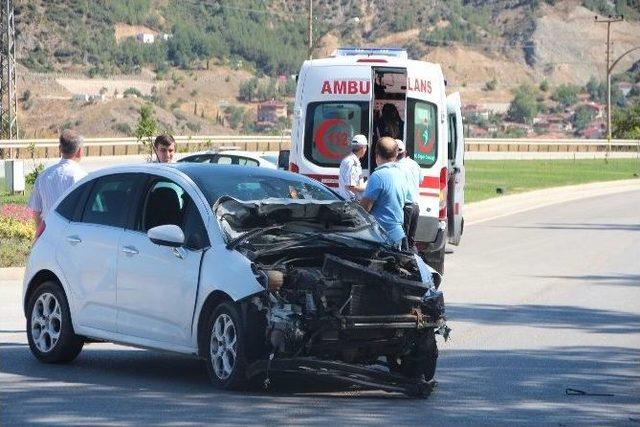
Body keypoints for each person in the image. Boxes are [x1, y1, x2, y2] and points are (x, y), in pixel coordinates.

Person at [28, 129, 87, 232]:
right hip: (73, 237)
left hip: (48, 235)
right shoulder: (83, 177)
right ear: (79, 151)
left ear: (60, 149)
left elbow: (36, 211)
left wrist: (40, 234)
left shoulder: (43, 176)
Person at [360, 137, 408, 248]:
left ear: (376, 154)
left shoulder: (377, 176)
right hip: (397, 233)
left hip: (381, 235)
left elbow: (364, 209)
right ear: (396, 155)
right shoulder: (401, 174)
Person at [396, 139, 421, 253]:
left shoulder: (395, 167)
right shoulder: (414, 164)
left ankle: (408, 266)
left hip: (405, 207)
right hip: (415, 206)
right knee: (411, 241)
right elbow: (421, 180)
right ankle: (416, 264)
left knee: (404, 241)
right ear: (405, 152)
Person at [338, 134, 368, 200]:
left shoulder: (350, 160)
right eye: (365, 147)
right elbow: (351, 187)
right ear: (362, 148)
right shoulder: (352, 163)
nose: (366, 150)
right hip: (350, 203)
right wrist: (367, 188)